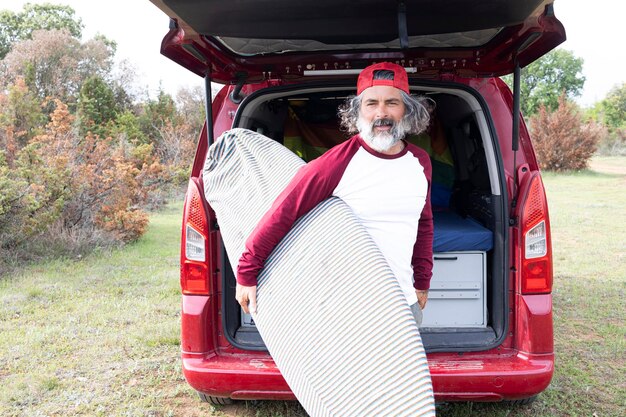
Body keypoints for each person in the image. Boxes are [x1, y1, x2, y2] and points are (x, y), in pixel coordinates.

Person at [236, 62, 434, 327]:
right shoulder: (340, 161)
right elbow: (285, 209)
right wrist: (247, 272)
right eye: (371, 103)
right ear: (358, 112)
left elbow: (423, 223)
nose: (381, 113)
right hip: (346, 304)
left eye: (392, 103)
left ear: (407, 110)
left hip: (402, 300)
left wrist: (422, 281)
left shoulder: (420, 162)